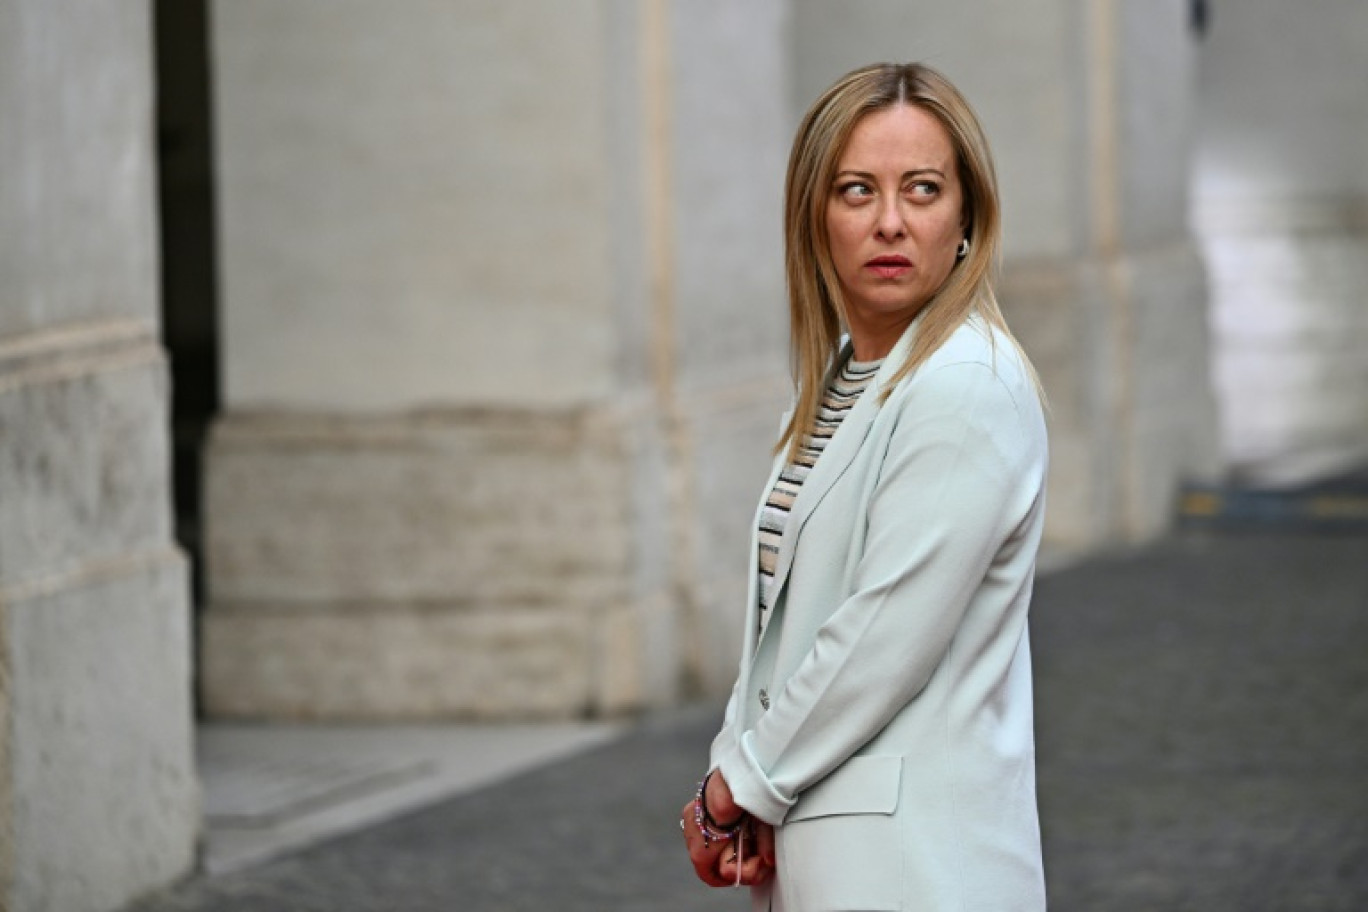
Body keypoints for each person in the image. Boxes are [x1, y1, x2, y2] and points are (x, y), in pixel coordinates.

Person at [679, 62, 1049, 911]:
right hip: (838, 853)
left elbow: (880, 631)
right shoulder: (854, 378)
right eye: (856, 192)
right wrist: (738, 754)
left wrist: (740, 785)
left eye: (922, 190)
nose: (891, 222)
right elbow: (786, 623)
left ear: (966, 218)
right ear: (815, 218)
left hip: (917, 868)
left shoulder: (966, 385)